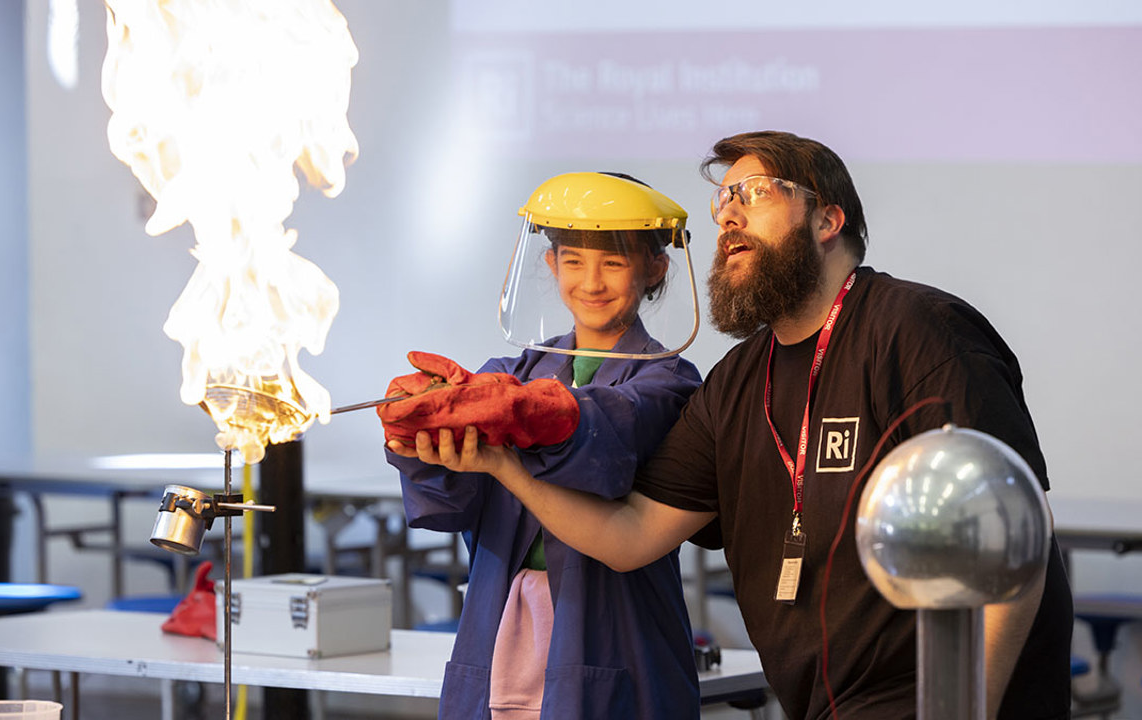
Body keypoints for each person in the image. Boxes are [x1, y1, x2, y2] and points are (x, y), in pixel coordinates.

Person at [390, 132, 1074, 720]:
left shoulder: (916, 330)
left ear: (828, 218)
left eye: (754, 193)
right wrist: (501, 466)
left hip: (939, 698)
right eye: (724, 203)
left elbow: (1012, 532)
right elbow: (629, 537)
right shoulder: (738, 384)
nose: (729, 216)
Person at [380, 172, 705, 719]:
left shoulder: (670, 383)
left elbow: (615, 431)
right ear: (551, 265)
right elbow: (451, 503)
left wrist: (534, 418)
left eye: (615, 262)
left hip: (617, 631)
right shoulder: (508, 376)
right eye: (574, 260)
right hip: (498, 624)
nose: (592, 281)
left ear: (655, 267)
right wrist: (415, 439)